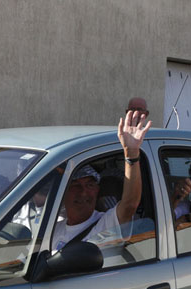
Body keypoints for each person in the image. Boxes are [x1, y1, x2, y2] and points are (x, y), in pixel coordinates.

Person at [50, 107, 151, 251]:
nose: (83, 192)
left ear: (97, 190)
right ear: (64, 192)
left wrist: (132, 154)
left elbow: (129, 204)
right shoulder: (53, 228)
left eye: (90, 185)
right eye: (76, 185)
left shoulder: (105, 223)